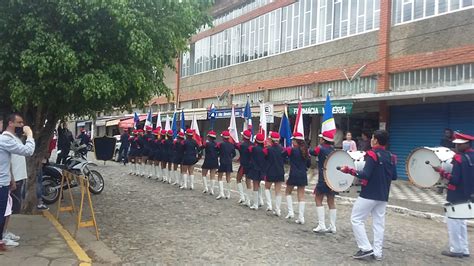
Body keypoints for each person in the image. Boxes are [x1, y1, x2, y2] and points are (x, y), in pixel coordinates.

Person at [339, 130, 397, 260]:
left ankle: (365, 248)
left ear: (375, 140)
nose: (371, 140)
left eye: (372, 138)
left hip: (369, 193)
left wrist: (349, 170)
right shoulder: (392, 156)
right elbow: (394, 176)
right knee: (379, 223)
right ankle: (377, 253)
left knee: (356, 219)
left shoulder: (371, 155)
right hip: (383, 195)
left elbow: (365, 174)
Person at [435, 132, 474, 258]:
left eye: (459, 145)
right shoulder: (472, 156)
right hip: (468, 194)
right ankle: (464, 249)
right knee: (462, 222)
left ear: (466, 144)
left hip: (456, 194)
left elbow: (455, 180)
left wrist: (441, 171)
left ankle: (456, 249)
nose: (456, 147)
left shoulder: (459, 159)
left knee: (453, 223)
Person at [0, 113, 35, 251]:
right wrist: (30, 134)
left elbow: (5, 162)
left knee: (5, 210)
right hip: (1, 182)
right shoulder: (5, 139)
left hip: (5, 180)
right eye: (19, 123)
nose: (22, 125)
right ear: (11, 123)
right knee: (2, 212)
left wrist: (11, 178)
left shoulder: (7, 139)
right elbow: (29, 150)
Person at [309, 131, 337, 233]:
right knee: (331, 201)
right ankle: (333, 226)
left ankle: (322, 225)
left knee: (318, 199)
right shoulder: (333, 150)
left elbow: (312, 152)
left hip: (323, 177)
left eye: (321, 138)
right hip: (332, 179)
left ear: (323, 140)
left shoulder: (320, 148)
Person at [283, 132, 311, 224]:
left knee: (287, 192)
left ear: (296, 141)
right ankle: (301, 217)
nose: (292, 142)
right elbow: (309, 164)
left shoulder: (291, 150)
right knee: (301, 196)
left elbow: (282, 155)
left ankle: (291, 212)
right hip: (303, 174)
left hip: (293, 174)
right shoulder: (306, 151)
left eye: (293, 140)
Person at [264, 132, 285, 216]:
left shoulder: (268, 149)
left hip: (270, 171)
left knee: (267, 187)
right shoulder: (282, 149)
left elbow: (264, 158)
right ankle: (278, 209)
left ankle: (269, 205)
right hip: (280, 171)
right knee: (278, 191)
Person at [248, 133, 267, 210]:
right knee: (258, 185)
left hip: (255, 169)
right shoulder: (264, 150)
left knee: (255, 186)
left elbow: (249, 150)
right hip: (262, 169)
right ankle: (260, 201)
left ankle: (255, 204)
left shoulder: (254, 148)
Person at [216, 131, 236, 200]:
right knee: (228, 177)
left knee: (220, 177)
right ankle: (228, 194)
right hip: (229, 162)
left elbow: (217, 151)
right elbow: (234, 154)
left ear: (223, 137)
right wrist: (230, 157)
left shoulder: (221, 144)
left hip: (222, 161)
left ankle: (221, 193)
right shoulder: (231, 145)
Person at [235, 130, 253, 206]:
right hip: (251, 165)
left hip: (243, 165)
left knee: (238, 179)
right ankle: (248, 200)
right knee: (248, 182)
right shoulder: (253, 145)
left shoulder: (242, 145)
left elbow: (235, 145)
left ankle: (242, 197)